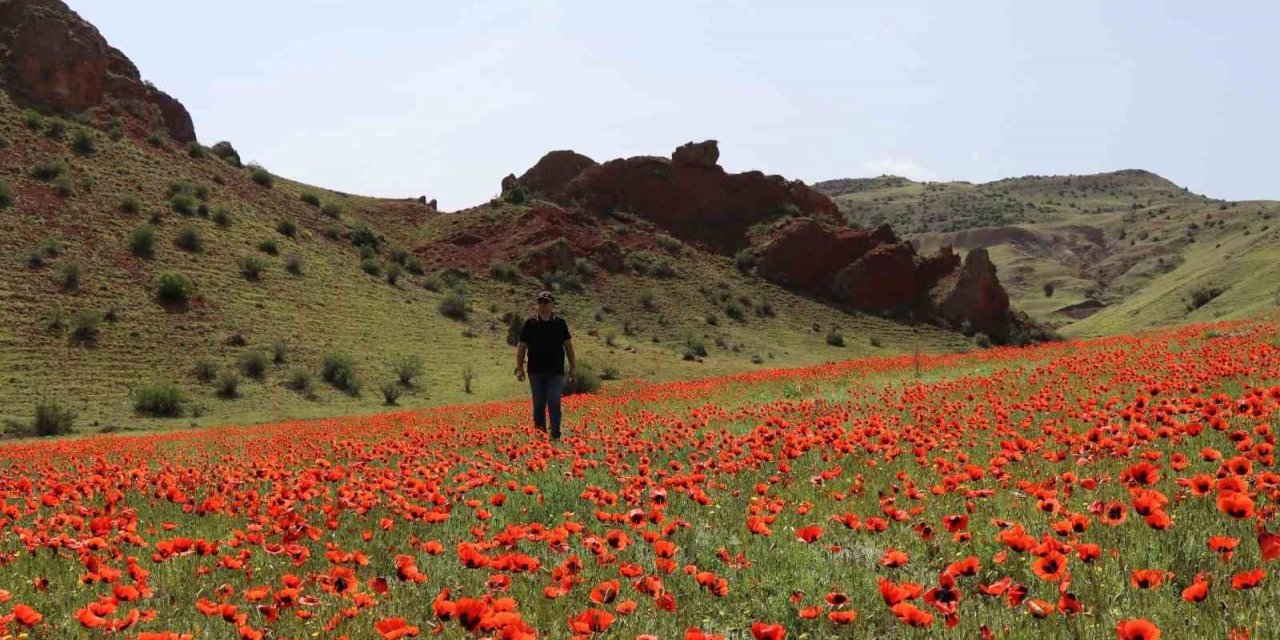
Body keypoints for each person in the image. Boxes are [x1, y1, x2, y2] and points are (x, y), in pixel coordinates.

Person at [514, 290, 576, 439]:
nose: (542, 305)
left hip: (556, 371)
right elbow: (522, 347)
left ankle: (555, 435)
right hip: (535, 371)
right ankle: (540, 436)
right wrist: (520, 368)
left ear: (552, 305)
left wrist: (573, 367)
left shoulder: (560, 323)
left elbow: (568, 346)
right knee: (539, 404)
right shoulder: (530, 324)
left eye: (546, 302)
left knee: (554, 401)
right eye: (540, 302)